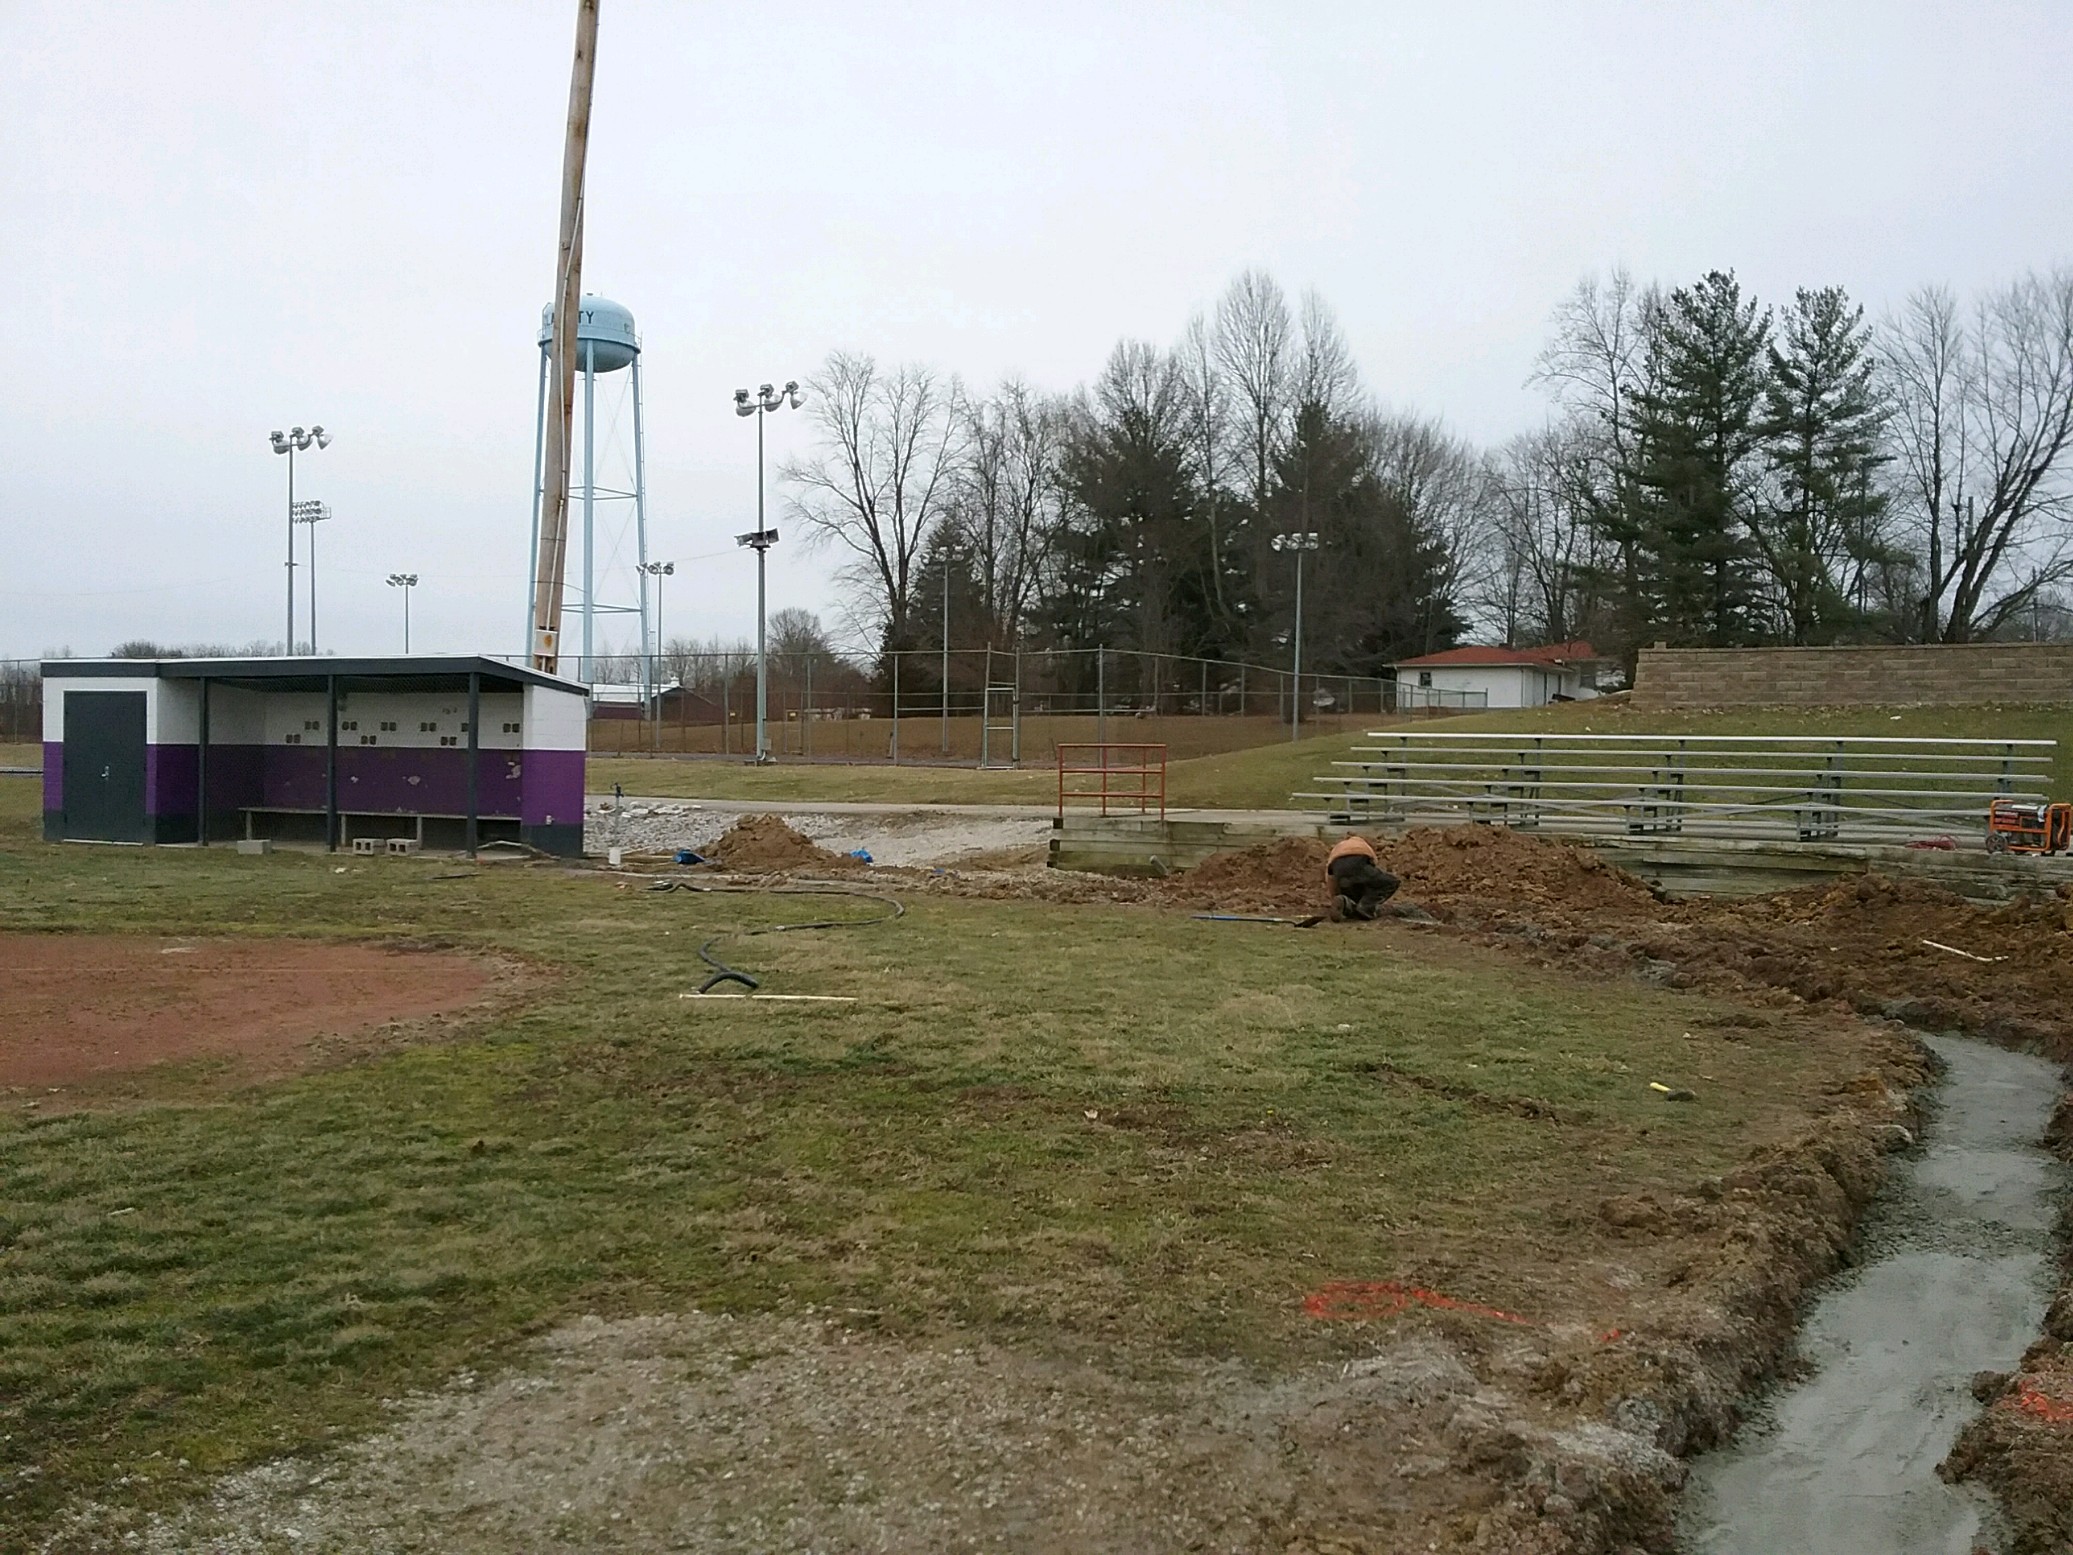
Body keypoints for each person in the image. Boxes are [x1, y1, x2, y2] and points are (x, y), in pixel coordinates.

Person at [1324, 834, 1400, 921]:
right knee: (1391, 882)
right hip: (1358, 863)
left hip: (1338, 870)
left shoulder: (1338, 847)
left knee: (1352, 892)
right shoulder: (1364, 846)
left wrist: (1334, 897)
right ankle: (1366, 907)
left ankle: (1346, 902)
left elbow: (1330, 877)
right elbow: (1373, 866)